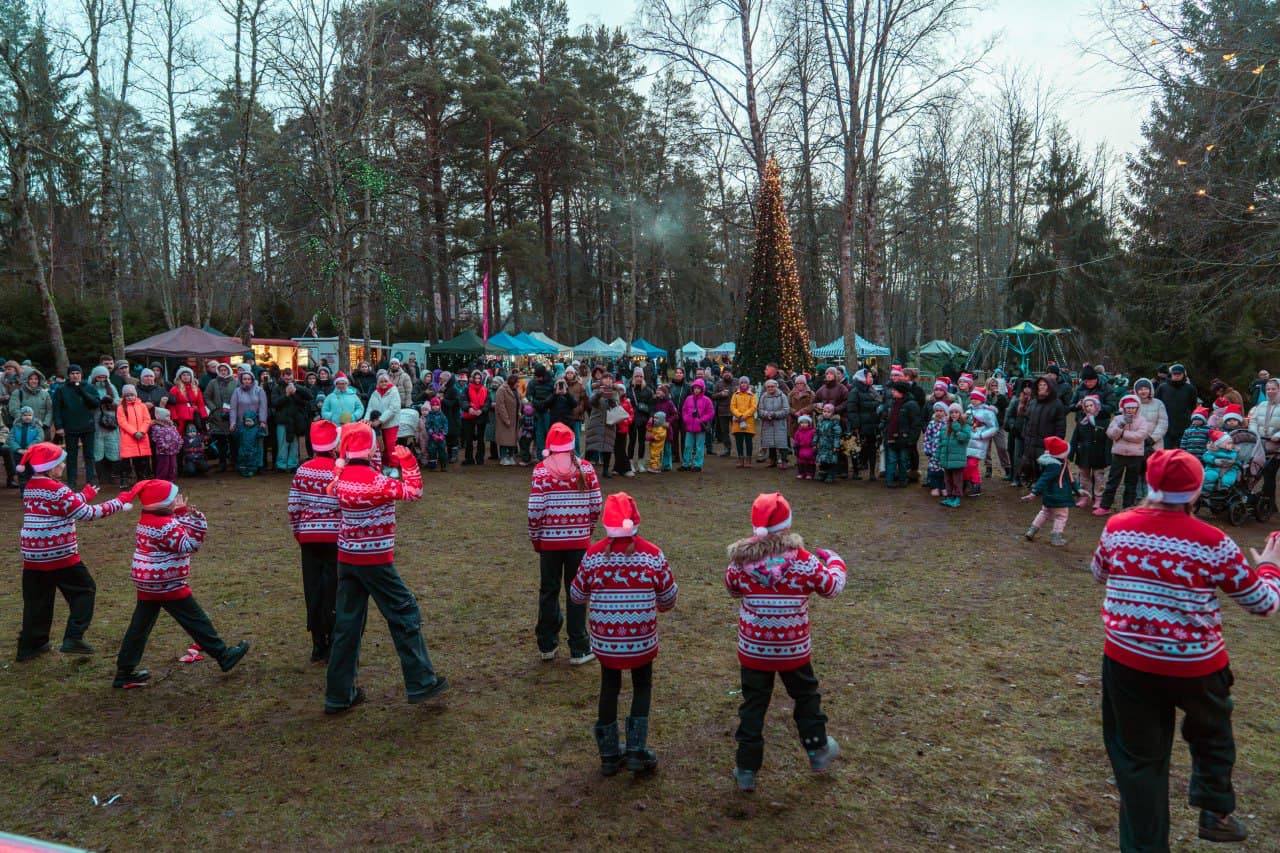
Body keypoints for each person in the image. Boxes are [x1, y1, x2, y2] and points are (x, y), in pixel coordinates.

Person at [1091, 449, 1280, 848]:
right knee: (1212, 732)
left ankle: (1144, 845)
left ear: (1149, 485)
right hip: (1196, 666)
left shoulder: (1118, 526)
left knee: (1139, 761)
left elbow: (1098, 572)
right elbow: (1263, 604)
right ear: (1197, 492)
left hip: (1128, 664)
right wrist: (1270, 566)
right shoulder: (1214, 542)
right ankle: (1215, 809)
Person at [726, 492, 846, 793]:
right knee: (805, 697)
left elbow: (732, 587)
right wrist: (835, 561)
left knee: (753, 705)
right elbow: (831, 587)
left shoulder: (741, 562)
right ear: (787, 525)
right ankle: (818, 750)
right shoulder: (805, 561)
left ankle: (746, 768)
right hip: (793, 647)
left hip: (754, 648)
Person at [325, 422, 446, 713]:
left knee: (347, 625)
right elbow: (413, 491)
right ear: (371, 449)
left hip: (348, 558)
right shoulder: (375, 482)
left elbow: (348, 473)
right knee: (404, 613)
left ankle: (339, 695)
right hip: (375, 560)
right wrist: (409, 462)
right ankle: (421, 681)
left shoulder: (340, 479)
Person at [570, 492, 677, 776]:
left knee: (610, 686)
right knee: (642, 686)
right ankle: (635, 749)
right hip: (640, 638)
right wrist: (658, 605)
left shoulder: (592, 555)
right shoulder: (652, 554)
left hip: (606, 641)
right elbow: (668, 596)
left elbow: (576, 595)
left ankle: (608, 754)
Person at [111, 480, 250, 689]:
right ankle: (223, 655)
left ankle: (124, 671)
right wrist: (196, 521)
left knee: (139, 627)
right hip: (167, 582)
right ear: (164, 503)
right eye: (173, 498)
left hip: (147, 581)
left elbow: (171, 528)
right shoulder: (165, 525)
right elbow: (188, 544)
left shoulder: (148, 518)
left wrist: (181, 514)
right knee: (195, 620)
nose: (177, 500)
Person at [15, 442, 131, 661]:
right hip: (59, 553)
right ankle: (74, 637)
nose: (63, 466)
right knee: (84, 590)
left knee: (37, 600)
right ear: (50, 466)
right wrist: (119, 502)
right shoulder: (58, 489)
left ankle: (30, 646)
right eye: (60, 462)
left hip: (33, 554)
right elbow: (85, 514)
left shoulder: (31, 485)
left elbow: (62, 506)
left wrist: (83, 495)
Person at [527, 422, 602, 665]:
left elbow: (535, 510)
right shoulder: (587, 469)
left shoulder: (541, 471)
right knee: (577, 593)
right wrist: (586, 531)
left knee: (548, 591)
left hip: (549, 543)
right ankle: (579, 646)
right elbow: (596, 505)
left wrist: (536, 537)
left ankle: (547, 644)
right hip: (578, 542)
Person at [288, 421, 341, 662]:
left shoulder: (303, 470)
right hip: (335, 538)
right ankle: (332, 639)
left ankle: (317, 641)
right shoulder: (339, 471)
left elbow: (294, 506)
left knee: (313, 588)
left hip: (309, 537)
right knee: (333, 589)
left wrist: (299, 532)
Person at [1098, 395, 1152, 516]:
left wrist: (1123, 434)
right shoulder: (1117, 419)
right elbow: (1111, 434)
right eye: (1128, 408)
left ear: (1137, 408)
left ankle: (1127, 507)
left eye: (1133, 408)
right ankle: (1105, 506)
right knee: (1112, 481)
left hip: (1135, 455)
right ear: (1123, 407)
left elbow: (1140, 436)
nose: (1130, 410)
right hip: (1119, 454)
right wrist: (1121, 426)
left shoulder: (1142, 420)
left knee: (1131, 482)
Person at [1022, 435, 1077, 546]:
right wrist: (1034, 492)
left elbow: (1044, 479)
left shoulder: (1053, 463)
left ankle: (1032, 530)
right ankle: (1056, 537)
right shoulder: (1057, 465)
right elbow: (1046, 479)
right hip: (1060, 495)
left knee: (1044, 512)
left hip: (1048, 494)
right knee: (1061, 515)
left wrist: (1034, 492)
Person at [52, 365, 101, 488]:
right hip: (70, 427)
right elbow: (57, 409)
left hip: (87, 426)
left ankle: (90, 481)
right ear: (69, 375)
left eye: (77, 373)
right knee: (72, 455)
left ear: (81, 374)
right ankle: (72, 481)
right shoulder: (61, 390)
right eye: (72, 373)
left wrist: (83, 392)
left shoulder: (89, 387)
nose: (75, 375)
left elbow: (96, 403)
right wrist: (59, 426)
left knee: (89, 455)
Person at [1020, 375, 1066, 484]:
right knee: (1031, 466)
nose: (1041, 387)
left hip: (1046, 444)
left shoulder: (1057, 404)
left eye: (1044, 385)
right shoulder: (1033, 402)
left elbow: (1060, 427)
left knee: (1046, 469)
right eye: (1040, 384)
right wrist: (1025, 435)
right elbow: (1026, 420)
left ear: (1050, 387)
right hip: (1030, 442)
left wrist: (1055, 443)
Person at [1069, 396, 1110, 513]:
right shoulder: (1082, 422)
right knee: (1083, 476)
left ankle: (1098, 498)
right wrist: (1071, 453)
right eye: (1086, 406)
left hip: (1099, 454)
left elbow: (1108, 441)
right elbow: (1074, 438)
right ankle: (1084, 496)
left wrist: (1108, 456)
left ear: (1097, 406)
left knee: (1099, 477)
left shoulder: (1104, 422)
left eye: (1091, 405)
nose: (1089, 408)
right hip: (1083, 453)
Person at [880, 382, 922, 488]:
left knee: (903, 460)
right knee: (892, 460)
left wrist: (912, 439)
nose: (892, 392)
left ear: (901, 392)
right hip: (890, 436)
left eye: (895, 390)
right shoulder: (891, 403)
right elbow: (885, 418)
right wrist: (883, 429)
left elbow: (916, 424)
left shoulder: (912, 405)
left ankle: (903, 479)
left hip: (904, 438)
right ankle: (889, 479)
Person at [1248, 378, 1280, 506]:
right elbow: (1253, 421)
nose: (1270, 391)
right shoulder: (1261, 405)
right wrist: (1254, 433)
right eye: (1268, 389)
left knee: (1270, 474)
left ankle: (1269, 502)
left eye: (1273, 389)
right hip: (1261, 445)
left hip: (1276, 448)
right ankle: (1264, 500)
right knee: (1258, 473)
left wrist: (1278, 435)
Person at [962, 389, 998, 496]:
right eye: (972, 398)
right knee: (966, 464)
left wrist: (982, 435)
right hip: (967, 442)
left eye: (976, 399)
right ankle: (971, 483)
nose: (973, 401)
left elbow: (994, 427)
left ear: (982, 400)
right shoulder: (968, 411)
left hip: (979, 443)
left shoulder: (988, 413)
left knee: (972, 464)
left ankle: (971, 483)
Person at [1155, 363, 1199, 449]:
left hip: (1184, 425)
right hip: (1166, 425)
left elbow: (1193, 406)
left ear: (1183, 375)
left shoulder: (1190, 389)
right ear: (1171, 374)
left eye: (1179, 374)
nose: (1177, 376)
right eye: (1175, 374)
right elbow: (1157, 404)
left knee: (1183, 452)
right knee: (1167, 452)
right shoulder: (1162, 387)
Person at [204, 363, 237, 472]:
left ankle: (234, 462)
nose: (223, 372)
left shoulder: (235, 382)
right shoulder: (213, 382)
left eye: (225, 370)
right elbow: (207, 396)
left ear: (228, 371)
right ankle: (222, 463)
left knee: (233, 441)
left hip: (232, 416)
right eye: (221, 370)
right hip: (217, 417)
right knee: (221, 442)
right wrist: (213, 408)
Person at [117, 385, 153, 483]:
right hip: (128, 437)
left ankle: (142, 478)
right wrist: (134, 432)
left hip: (142, 436)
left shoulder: (142, 406)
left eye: (132, 395)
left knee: (141, 460)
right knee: (126, 461)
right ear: (124, 396)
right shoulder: (121, 408)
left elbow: (147, 420)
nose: (130, 397)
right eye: (127, 395)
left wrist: (141, 431)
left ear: (135, 395)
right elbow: (122, 422)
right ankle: (125, 480)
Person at [937, 403, 971, 508]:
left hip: (957, 459)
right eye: (951, 412)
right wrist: (939, 454)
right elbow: (941, 442)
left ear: (960, 413)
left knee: (957, 479)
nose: (954, 414)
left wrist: (956, 427)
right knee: (948, 479)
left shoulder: (965, 426)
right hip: (946, 459)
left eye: (956, 412)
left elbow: (963, 438)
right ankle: (950, 496)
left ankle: (957, 498)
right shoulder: (945, 427)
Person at [680, 377, 716, 472]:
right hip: (690, 426)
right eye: (695, 388)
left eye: (698, 388)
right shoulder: (688, 399)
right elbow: (684, 410)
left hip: (700, 427)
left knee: (699, 447)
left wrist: (702, 419)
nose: (696, 390)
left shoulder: (706, 400)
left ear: (702, 389)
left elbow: (711, 412)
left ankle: (697, 464)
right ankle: (686, 463)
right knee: (688, 446)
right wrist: (686, 418)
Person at [8, 367, 52, 438]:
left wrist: (45, 424)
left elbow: (50, 410)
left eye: (36, 379)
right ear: (26, 380)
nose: (34, 381)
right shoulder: (18, 393)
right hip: (24, 429)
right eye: (31, 379)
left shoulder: (45, 394)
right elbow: (14, 409)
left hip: (43, 430)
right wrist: (26, 420)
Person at [756, 379, 790, 469]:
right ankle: (772, 460)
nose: (770, 388)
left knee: (781, 443)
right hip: (767, 423)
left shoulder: (782, 396)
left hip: (779, 423)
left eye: (772, 386)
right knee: (770, 443)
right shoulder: (763, 396)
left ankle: (784, 461)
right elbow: (759, 410)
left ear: (776, 386)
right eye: (768, 387)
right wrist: (767, 415)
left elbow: (786, 410)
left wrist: (775, 414)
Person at [626, 368, 655, 473]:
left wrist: (651, 416)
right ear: (634, 377)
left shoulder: (648, 390)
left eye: (640, 376)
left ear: (643, 377)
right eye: (637, 376)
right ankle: (630, 463)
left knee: (642, 441)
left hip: (643, 419)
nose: (639, 378)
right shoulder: (629, 390)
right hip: (632, 420)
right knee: (632, 442)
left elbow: (652, 405)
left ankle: (640, 463)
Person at [167, 366, 208, 437]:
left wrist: (204, 416)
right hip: (180, 417)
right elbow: (171, 405)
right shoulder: (174, 389)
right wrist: (174, 418)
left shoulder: (196, 389)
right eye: (184, 375)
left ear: (191, 376)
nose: (186, 377)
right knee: (180, 436)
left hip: (195, 416)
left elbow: (201, 404)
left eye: (188, 375)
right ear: (180, 377)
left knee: (196, 437)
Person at [494, 373, 521, 466]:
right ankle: (504, 457)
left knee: (512, 439)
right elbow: (501, 406)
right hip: (505, 419)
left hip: (515, 418)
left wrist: (520, 412)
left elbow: (518, 402)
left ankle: (511, 456)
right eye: (517, 382)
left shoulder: (516, 390)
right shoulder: (501, 390)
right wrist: (506, 419)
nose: (518, 384)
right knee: (504, 440)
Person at [730, 377, 757, 468]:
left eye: (745, 383)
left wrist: (743, 416)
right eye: (742, 383)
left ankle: (748, 459)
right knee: (739, 441)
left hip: (748, 421)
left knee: (749, 441)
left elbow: (753, 407)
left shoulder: (752, 395)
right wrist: (739, 415)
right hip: (737, 422)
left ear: (748, 384)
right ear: (739, 384)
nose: (743, 384)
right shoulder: (735, 394)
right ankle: (740, 458)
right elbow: (732, 407)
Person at [149, 408, 182, 483]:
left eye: (169, 416)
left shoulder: (171, 425)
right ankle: (161, 481)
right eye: (167, 416)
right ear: (160, 417)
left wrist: (179, 441)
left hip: (172, 450)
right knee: (164, 466)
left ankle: (171, 481)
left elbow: (176, 435)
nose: (169, 418)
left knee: (172, 466)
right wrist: (163, 445)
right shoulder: (156, 427)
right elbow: (156, 437)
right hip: (163, 451)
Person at [921, 402, 947, 496]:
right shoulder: (932, 423)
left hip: (945, 452)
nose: (939, 413)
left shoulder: (948, 423)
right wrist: (927, 449)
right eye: (937, 411)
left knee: (944, 470)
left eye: (941, 411)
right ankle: (935, 487)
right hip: (933, 451)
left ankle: (944, 487)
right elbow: (927, 437)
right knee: (933, 470)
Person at [814, 403, 843, 484]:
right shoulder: (820, 422)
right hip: (822, 445)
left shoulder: (835, 423)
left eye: (828, 412)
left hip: (831, 445)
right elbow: (817, 433)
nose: (826, 413)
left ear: (832, 413)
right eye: (824, 411)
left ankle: (831, 475)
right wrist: (814, 442)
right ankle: (822, 474)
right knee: (823, 460)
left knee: (831, 461)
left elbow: (837, 435)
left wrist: (836, 445)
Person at [711, 369, 735, 457]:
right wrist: (720, 394)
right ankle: (727, 449)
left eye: (728, 372)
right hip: (722, 412)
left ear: (731, 373)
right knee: (724, 432)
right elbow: (713, 396)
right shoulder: (718, 384)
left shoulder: (737, 382)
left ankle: (741, 450)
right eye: (725, 372)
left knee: (738, 431)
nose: (727, 374)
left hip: (735, 412)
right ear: (722, 374)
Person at [792, 414, 816, 480]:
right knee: (801, 463)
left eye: (805, 422)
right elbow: (796, 440)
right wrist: (795, 447)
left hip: (810, 449)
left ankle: (810, 474)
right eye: (802, 423)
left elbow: (815, 439)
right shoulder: (798, 432)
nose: (803, 424)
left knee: (811, 463)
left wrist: (814, 447)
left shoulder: (813, 431)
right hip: (801, 449)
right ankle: (801, 473)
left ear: (809, 423)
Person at [645, 411, 668, 475]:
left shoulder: (662, 428)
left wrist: (653, 437)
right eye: (654, 418)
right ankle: (655, 466)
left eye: (656, 418)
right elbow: (650, 429)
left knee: (655, 455)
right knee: (653, 455)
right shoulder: (655, 426)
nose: (654, 419)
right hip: (653, 444)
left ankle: (655, 467)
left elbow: (661, 435)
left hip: (657, 445)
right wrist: (649, 424)